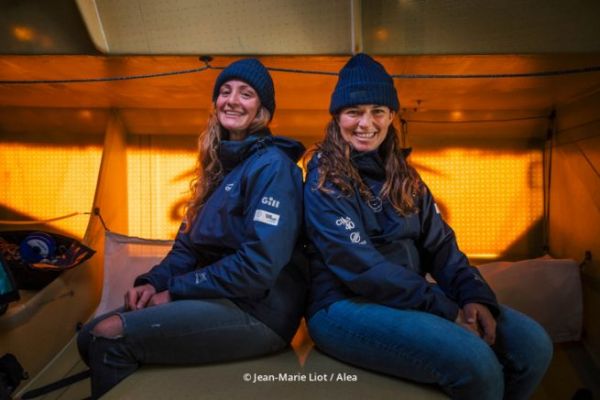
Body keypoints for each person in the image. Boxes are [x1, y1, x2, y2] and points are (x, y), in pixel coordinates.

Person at [303, 53, 553, 400]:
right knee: (475, 364)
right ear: (337, 117)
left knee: (533, 345)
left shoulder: (406, 177)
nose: (366, 123)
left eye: (377, 111)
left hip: (407, 297)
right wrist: (446, 309)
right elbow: (362, 268)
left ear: (392, 115)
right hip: (342, 305)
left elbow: (441, 247)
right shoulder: (324, 179)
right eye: (354, 112)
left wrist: (473, 296)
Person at [78, 58, 307, 398]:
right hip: (216, 297)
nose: (232, 100)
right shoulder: (218, 166)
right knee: (88, 336)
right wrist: (153, 282)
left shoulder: (274, 168)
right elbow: (187, 248)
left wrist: (175, 291)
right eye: (225, 91)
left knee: (109, 336)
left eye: (246, 94)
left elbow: (258, 266)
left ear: (263, 110)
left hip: (258, 311)